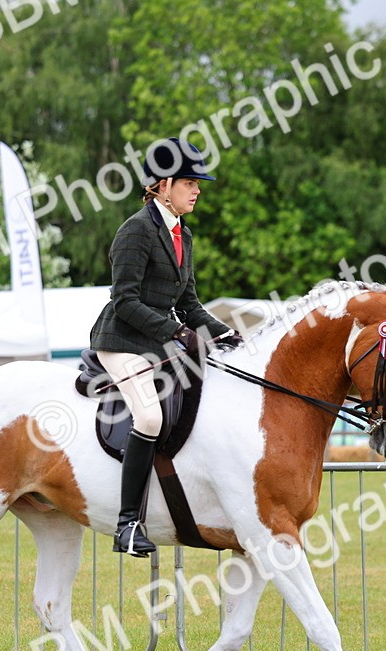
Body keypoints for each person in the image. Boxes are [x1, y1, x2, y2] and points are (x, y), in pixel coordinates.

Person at [89, 137, 242, 557]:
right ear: (163, 183)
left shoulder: (183, 235)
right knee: (151, 417)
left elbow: (188, 304)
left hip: (155, 341)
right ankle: (128, 524)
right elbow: (125, 300)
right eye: (190, 182)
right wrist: (174, 334)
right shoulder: (134, 231)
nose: (197, 190)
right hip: (121, 341)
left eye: (198, 183)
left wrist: (225, 334)